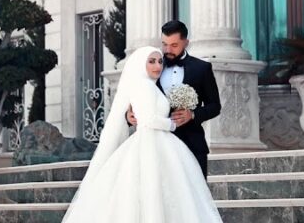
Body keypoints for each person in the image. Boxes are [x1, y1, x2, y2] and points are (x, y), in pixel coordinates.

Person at [62, 46, 222, 223]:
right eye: (151, 61)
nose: (157, 66)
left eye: (160, 61)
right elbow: (148, 120)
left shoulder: (150, 85)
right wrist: (172, 124)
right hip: (150, 142)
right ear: (140, 64)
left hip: (161, 142)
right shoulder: (142, 86)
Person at [127, 20, 221, 178]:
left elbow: (215, 106)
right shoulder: (152, 66)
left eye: (174, 45)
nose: (168, 50)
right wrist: (128, 116)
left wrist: (193, 115)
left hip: (192, 144)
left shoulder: (202, 68)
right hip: (157, 147)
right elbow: (135, 95)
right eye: (164, 44)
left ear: (186, 42)